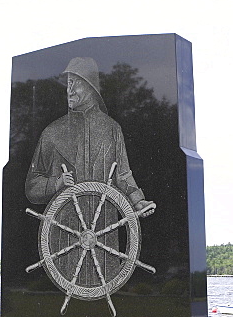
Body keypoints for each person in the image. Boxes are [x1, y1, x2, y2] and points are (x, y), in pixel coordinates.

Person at [25, 57, 155, 215]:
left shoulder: (112, 129)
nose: (69, 90)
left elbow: (123, 176)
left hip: (104, 227)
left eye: (76, 83)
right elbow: (32, 186)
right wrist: (55, 184)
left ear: (91, 86)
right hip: (63, 230)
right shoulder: (52, 132)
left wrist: (138, 202)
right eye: (68, 83)